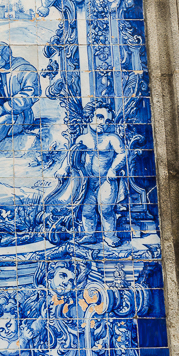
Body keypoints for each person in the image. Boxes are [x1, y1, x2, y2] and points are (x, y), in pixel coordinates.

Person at [51, 98, 127, 246]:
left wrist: (113, 169)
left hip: (106, 180)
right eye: (100, 117)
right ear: (89, 116)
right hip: (88, 181)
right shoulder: (82, 139)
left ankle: (110, 236)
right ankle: (89, 235)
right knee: (87, 210)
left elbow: (122, 154)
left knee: (106, 209)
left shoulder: (111, 138)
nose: (103, 123)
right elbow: (71, 155)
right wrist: (63, 168)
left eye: (107, 120)